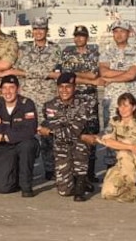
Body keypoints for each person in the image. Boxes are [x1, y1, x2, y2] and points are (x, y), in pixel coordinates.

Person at [12, 16, 60, 181]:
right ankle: (27, 170)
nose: (38, 32)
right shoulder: (23, 49)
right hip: (28, 100)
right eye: (36, 29)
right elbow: (15, 71)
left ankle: (49, 168)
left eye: (42, 29)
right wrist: (45, 74)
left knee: (48, 136)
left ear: (47, 31)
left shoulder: (56, 50)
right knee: (26, 136)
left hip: (48, 98)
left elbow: (59, 74)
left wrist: (31, 73)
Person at [58, 24, 103, 185]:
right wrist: (87, 77)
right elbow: (66, 75)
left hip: (90, 100)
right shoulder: (67, 53)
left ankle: (89, 174)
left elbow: (95, 73)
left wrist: (76, 75)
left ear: (87, 38)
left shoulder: (94, 53)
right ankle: (74, 173)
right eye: (76, 36)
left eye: (82, 36)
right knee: (74, 133)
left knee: (91, 135)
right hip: (73, 99)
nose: (79, 38)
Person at [38, 72, 92, 201]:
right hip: (61, 147)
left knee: (81, 143)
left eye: (68, 87)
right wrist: (54, 131)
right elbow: (52, 125)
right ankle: (72, 179)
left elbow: (75, 130)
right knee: (64, 192)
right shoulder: (50, 106)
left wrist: (50, 132)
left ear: (74, 88)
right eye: (61, 87)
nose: (64, 90)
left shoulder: (84, 105)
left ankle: (81, 182)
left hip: (78, 144)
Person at [95, 93, 136, 203]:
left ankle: (132, 190)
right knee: (107, 193)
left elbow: (131, 148)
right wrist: (125, 145)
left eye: (126, 106)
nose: (122, 109)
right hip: (124, 163)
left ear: (133, 107)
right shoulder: (114, 121)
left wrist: (116, 143)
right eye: (120, 106)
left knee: (124, 152)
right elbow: (105, 139)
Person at [98, 19, 136, 169]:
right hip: (111, 101)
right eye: (116, 31)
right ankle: (111, 169)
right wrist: (125, 73)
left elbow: (132, 75)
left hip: (131, 102)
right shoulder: (106, 52)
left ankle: (132, 167)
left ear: (128, 33)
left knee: (133, 134)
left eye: (122, 31)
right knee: (110, 133)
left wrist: (112, 77)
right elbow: (103, 72)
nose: (118, 34)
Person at [0, 75, 38, 197]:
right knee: (3, 188)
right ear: (0, 90)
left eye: (12, 88)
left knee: (28, 144)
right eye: (5, 88)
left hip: (22, 143)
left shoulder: (27, 104)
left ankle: (26, 186)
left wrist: (5, 136)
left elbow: (30, 130)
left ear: (18, 89)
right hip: (5, 147)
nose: (8, 92)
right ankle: (11, 174)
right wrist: (16, 132)